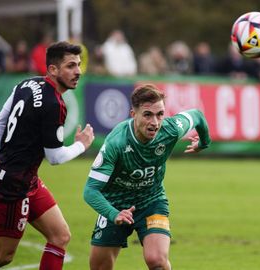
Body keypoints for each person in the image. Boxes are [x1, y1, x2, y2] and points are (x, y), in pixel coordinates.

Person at [0, 41, 95, 270]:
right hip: (13, 185)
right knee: (1, 256)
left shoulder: (26, 83)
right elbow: (55, 157)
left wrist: (8, 157)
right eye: (71, 66)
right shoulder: (54, 103)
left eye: (79, 65)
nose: (78, 72)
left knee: (60, 236)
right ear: (53, 69)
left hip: (23, 178)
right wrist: (81, 146)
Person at [83, 84, 211, 270]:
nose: (155, 122)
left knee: (156, 261)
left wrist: (204, 143)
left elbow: (197, 116)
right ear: (133, 115)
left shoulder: (171, 129)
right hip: (115, 205)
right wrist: (113, 213)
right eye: (148, 115)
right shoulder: (116, 142)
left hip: (152, 201)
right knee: (99, 267)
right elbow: (90, 190)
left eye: (160, 114)